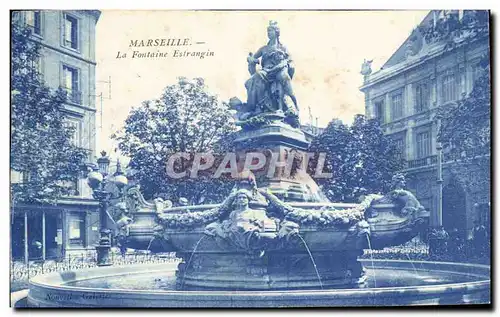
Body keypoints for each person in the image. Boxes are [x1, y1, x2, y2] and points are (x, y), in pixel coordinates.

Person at [245, 21, 299, 115]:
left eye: (270, 31)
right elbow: (253, 58)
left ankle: (291, 104)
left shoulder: (282, 48)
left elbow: (289, 59)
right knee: (257, 76)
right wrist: (250, 59)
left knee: (282, 77)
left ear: (276, 32)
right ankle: (260, 107)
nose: (268, 33)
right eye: (268, 31)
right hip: (266, 71)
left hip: (278, 70)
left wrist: (283, 64)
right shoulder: (264, 48)